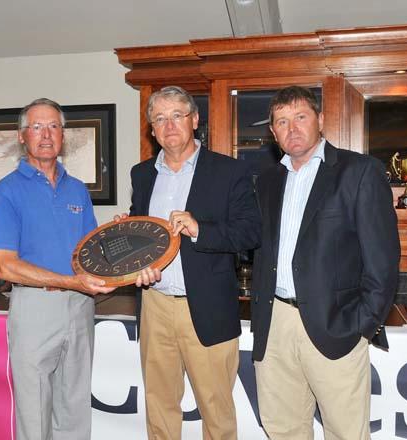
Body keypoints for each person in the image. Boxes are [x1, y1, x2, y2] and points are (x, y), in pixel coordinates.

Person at [251, 86, 400, 439]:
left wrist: (362, 324)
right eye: (282, 122)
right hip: (274, 325)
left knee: (345, 431)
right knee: (282, 429)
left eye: (300, 117)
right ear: (273, 133)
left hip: (337, 323)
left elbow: (383, 260)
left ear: (319, 119)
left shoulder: (359, 171)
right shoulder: (267, 181)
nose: (292, 128)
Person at [126, 85, 261, 439]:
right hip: (154, 305)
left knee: (216, 411)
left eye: (177, 115)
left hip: (207, 308)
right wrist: (129, 249)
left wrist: (201, 229)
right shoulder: (141, 175)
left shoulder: (229, 172)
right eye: (159, 118)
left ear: (195, 120)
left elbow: (250, 234)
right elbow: (144, 236)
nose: (169, 125)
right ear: (151, 130)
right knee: (159, 406)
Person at [0, 98, 115, 440]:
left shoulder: (77, 190)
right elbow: (5, 266)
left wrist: (121, 251)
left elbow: (91, 253)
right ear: (21, 136)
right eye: (37, 127)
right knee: (35, 411)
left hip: (80, 307)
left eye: (54, 126)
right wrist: (71, 281)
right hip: (35, 309)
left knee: (75, 409)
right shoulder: (6, 192)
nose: (46, 134)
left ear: (63, 135)